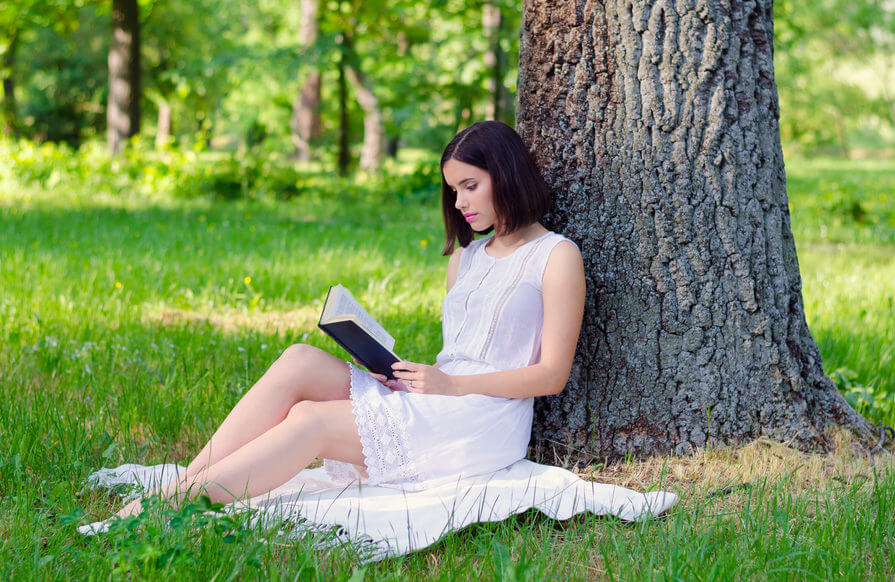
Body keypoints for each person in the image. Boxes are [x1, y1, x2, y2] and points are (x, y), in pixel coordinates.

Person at [113, 120, 586, 519]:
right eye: (453, 190)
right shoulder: (465, 258)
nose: (460, 202)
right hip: (436, 394)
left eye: (470, 186)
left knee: (309, 421)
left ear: (505, 174)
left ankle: (162, 511)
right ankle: (191, 478)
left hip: (481, 419)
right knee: (300, 359)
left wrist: (449, 386)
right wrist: (404, 375)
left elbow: (552, 375)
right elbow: (457, 353)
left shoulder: (556, 255)